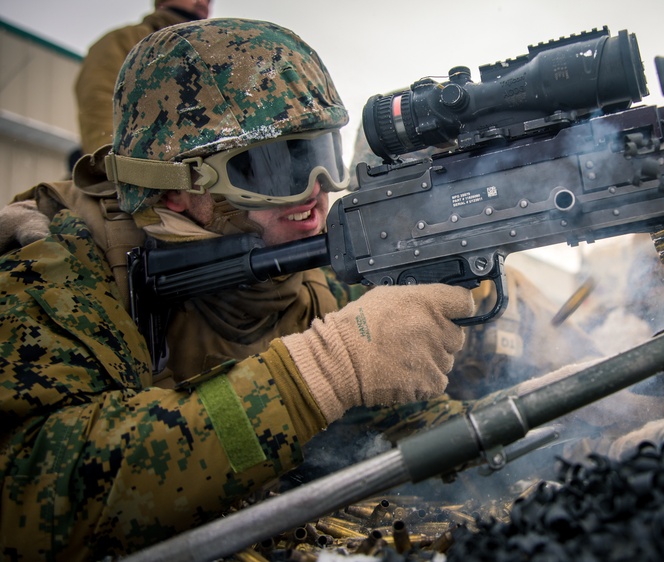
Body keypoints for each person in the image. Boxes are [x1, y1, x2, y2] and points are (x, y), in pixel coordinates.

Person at [0, 18, 475, 560]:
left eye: (320, 158)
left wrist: (524, 417)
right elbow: (31, 495)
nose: (315, 196)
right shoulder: (67, 276)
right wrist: (317, 375)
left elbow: (383, 428)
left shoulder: (301, 282)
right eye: (274, 169)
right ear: (178, 191)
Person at [75, 0, 211, 155]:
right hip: (146, 166)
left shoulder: (212, 51)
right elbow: (99, 103)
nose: (203, 2)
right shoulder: (126, 40)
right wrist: (115, 165)